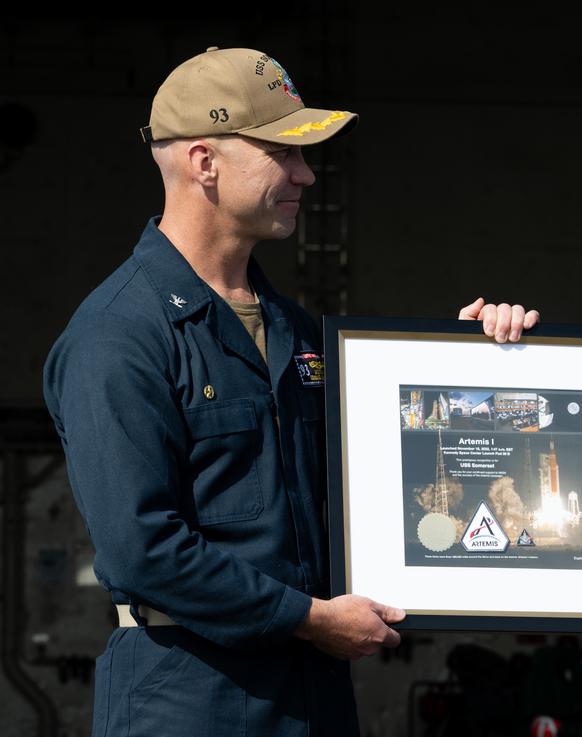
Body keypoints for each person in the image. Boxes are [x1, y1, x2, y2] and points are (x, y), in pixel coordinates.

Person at [42, 47, 537, 737]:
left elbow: (379, 479)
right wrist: (311, 619)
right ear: (203, 163)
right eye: (283, 152)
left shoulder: (294, 329)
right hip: (189, 696)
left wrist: (460, 370)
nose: (307, 173)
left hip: (313, 696)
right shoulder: (118, 335)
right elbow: (141, 550)